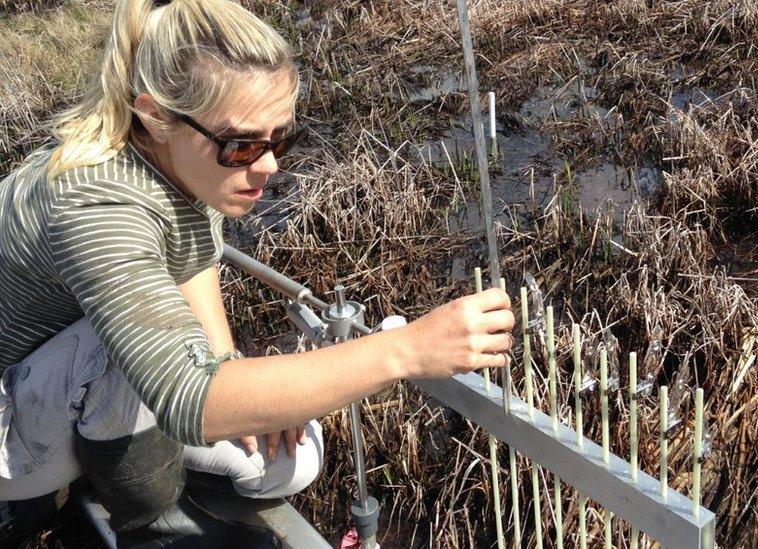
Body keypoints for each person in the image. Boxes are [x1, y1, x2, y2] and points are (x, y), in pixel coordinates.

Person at [0, 0, 514, 544]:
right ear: (156, 116)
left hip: (51, 385)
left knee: (294, 460)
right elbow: (190, 396)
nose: (268, 165)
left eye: (280, 139)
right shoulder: (99, 206)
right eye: (243, 144)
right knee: (119, 354)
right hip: (10, 432)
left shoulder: (176, 161)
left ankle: (120, 456)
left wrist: (247, 391)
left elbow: (196, 271)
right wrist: (404, 350)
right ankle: (151, 525)